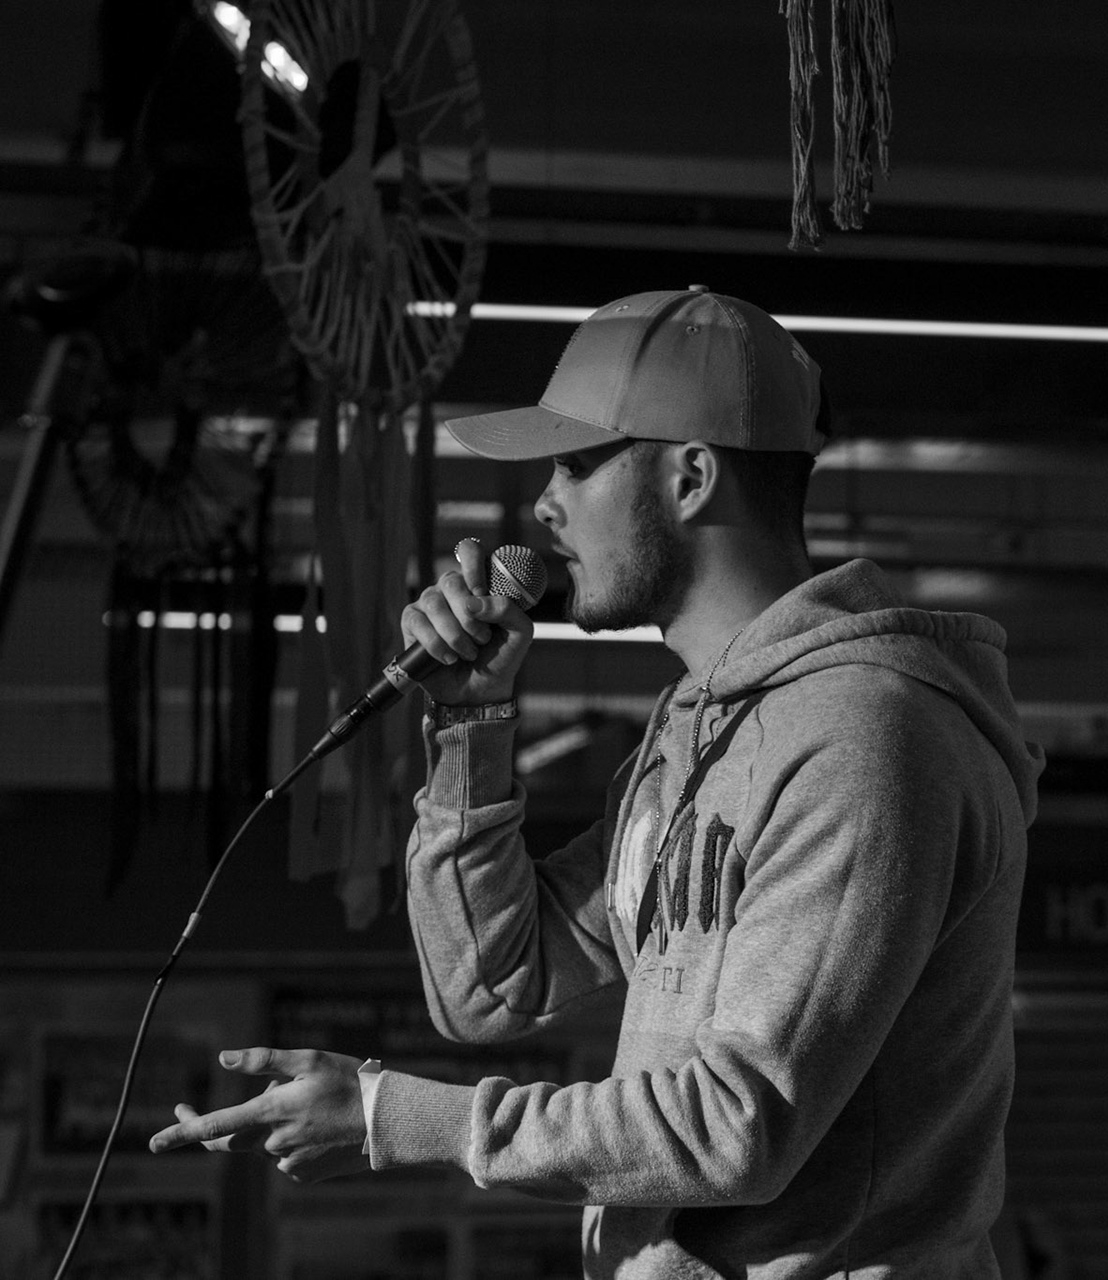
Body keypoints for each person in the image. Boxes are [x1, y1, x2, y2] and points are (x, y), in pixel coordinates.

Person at [149, 286, 1043, 1278]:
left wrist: (386, 1115)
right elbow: (490, 989)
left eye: (576, 463)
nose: (544, 502)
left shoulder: (865, 738)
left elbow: (735, 1127)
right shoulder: (690, 738)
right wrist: (473, 726)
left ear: (690, 477)